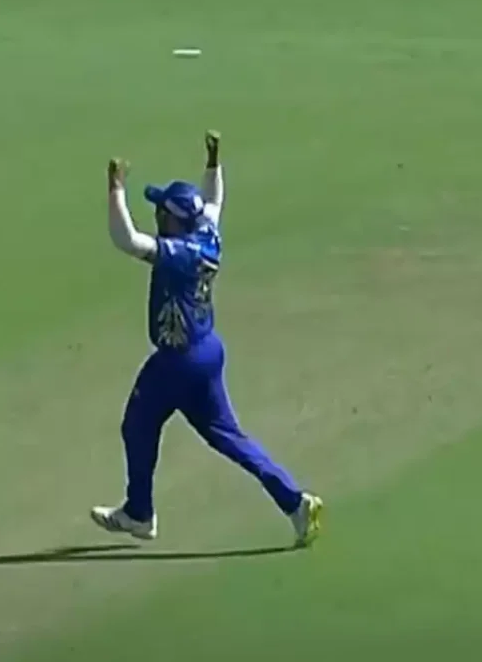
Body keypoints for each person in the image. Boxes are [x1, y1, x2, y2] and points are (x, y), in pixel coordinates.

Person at [92, 131, 322, 547]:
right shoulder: (207, 233)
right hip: (207, 351)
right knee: (230, 438)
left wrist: (115, 189)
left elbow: (126, 240)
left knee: (136, 425)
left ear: (173, 220)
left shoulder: (178, 254)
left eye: (160, 210)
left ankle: (140, 513)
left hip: (175, 363)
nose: (156, 215)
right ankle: (295, 502)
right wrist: (213, 161)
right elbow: (215, 199)